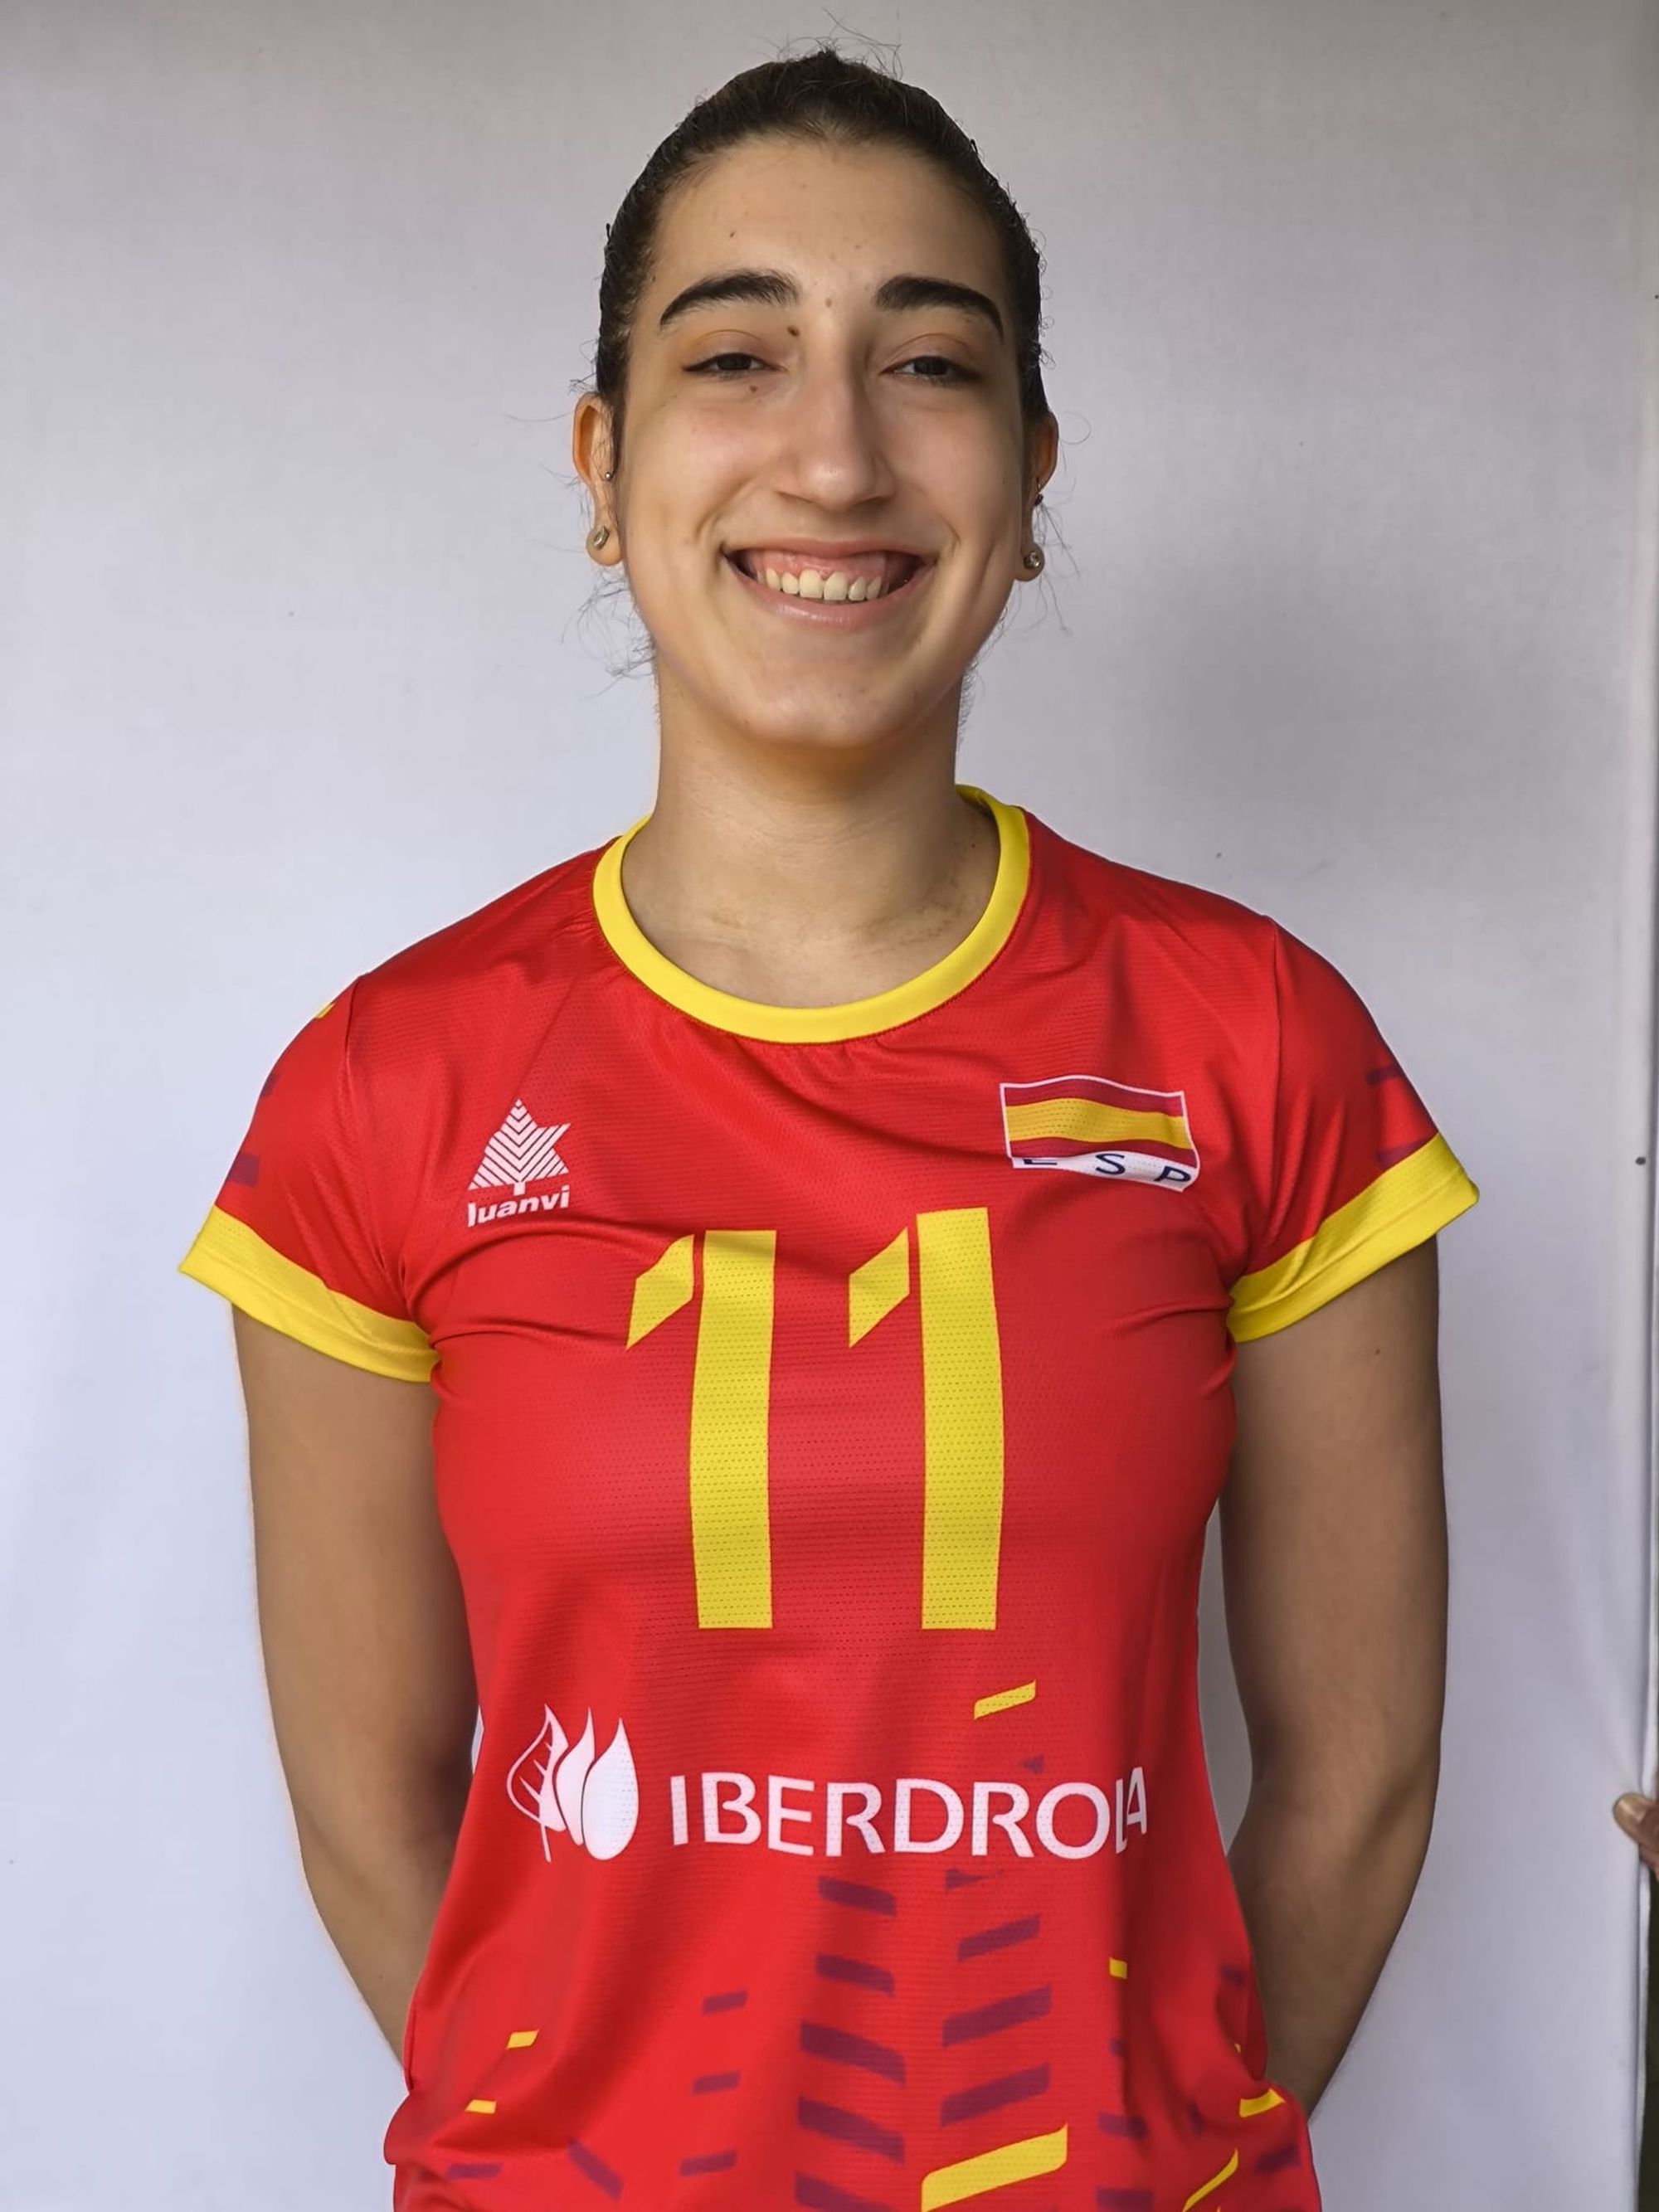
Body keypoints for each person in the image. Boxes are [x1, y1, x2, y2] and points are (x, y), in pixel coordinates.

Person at [178, 43, 1481, 2211]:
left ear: (1031, 474)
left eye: (931, 362)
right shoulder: (390, 1084)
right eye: (736, 353)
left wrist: (1154, 2159)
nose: (838, 451)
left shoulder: (1258, 1041)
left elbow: (1356, 1781)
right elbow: (376, 1809)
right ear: (603, 463)